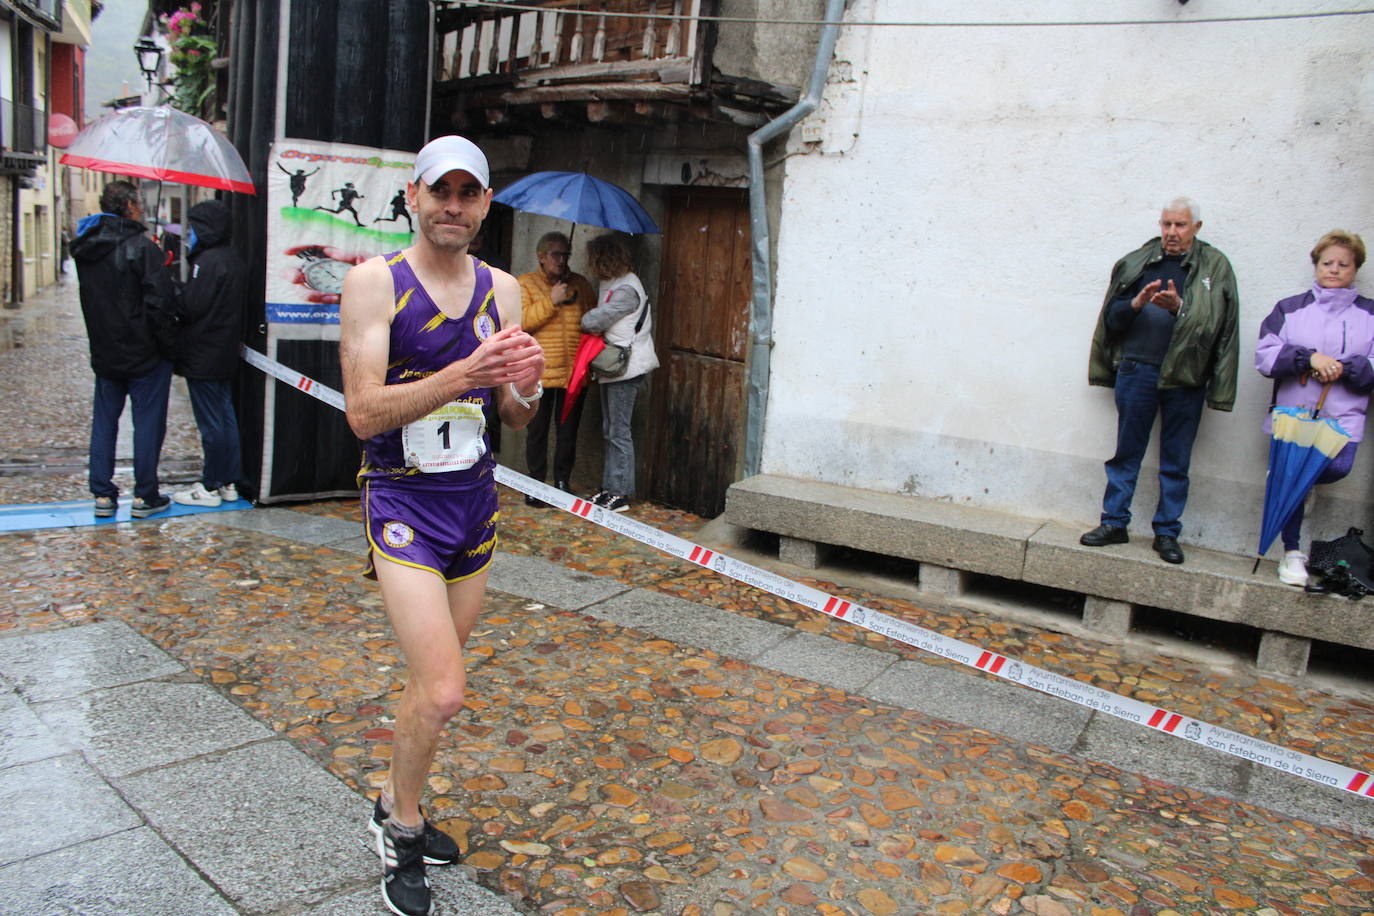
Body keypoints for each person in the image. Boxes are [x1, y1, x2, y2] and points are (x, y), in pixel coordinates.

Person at [338, 134, 544, 916]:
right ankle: (403, 824)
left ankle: (395, 793)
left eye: (469, 193)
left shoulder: (505, 290)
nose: (452, 206)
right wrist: (467, 372)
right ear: (414, 197)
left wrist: (525, 389)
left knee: (433, 684)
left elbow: (514, 416)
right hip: (401, 501)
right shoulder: (373, 284)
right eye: (440, 192)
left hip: (474, 506)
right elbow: (363, 414)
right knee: (448, 690)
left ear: (486, 205)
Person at [1083, 197, 1239, 565]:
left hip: (1186, 377)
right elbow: (1112, 319)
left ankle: (1167, 533)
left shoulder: (1215, 267)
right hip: (1137, 369)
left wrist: (1180, 309)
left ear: (1196, 228)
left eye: (1180, 225)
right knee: (1126, 453)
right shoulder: (1139, 262)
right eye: (1166, 224)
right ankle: (1114, 523)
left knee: (1176, 460)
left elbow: (1220, 326)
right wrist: (1135, 304)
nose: (1171, 232)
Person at [1255, 231, 1373, 586]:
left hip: (1344, 415)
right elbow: (1265, 354)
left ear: (1355, 269)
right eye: (1327, 263)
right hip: (1296, 414)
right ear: (1316, 265)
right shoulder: (1289, 308)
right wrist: (1309, 359)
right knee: (1295, 477)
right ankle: (1292, 552)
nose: (1334, 270)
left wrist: (1349, 367)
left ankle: (1296, 482)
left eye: (1343, 264)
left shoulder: (1370, 313)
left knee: (1335, 468)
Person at [70, 180, 176, 519]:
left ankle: (102, 494)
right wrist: (164, 345)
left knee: (104, 422)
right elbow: (160, 302)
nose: (142, 208)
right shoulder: (142, 248)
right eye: (139, 204)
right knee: (147, 424)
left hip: (105, 350)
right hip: (143, 354)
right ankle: (145, 495)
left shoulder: (87, 248)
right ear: (129, 206)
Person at [171, 200, 246, 509]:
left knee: (212, 423)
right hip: (225, 352)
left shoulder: (207, 262)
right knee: (226, 418)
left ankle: (210, 484)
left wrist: (174, 288)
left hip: (204, 354)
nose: (190, 234)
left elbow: (193, 306)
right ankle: (228, 480)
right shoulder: (233, 259)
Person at [580, 233, 658, 512]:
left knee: (619, 431)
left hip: (625, 367)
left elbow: (597, 319)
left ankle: (619, 493)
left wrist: (586, 317)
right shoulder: (613, 283)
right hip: (613, 366)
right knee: (610, 428)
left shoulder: (627, 288)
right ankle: (609, 487)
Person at [518, 231, 594, 506]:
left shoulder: (581, 284)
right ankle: (535, 484)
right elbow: (522, 321)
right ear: (541, 257)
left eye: (566, 255)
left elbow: (592, 321)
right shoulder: (525, 284)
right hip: (539, 372)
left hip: (573, 373)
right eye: (556, 254)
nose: (562, 260)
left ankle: (562, 481)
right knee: (537, 431)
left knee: (568, 430)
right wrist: (552, 300)